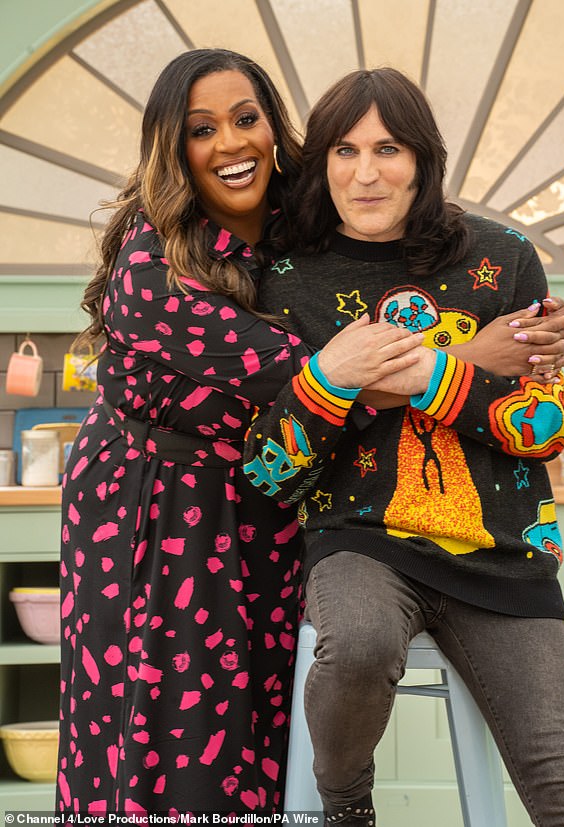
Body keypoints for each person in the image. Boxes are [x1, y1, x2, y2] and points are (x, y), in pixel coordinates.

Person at [56, 49, 429, 816]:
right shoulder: (151, 267)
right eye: (202, 129)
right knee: (166, 728)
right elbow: (314, 372)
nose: (231, 143)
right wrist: (477, 362)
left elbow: (409, 233)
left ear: (271, 127)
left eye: (246, 118)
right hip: (149, 508)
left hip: (263, 499)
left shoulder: (304, 222)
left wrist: (508, 311)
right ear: (174, 147)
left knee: (259, 728)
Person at [243, 68, 564, 827]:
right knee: (356, 646)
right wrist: (460, 364)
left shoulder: (503, 257)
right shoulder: (282, 276)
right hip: (361, 544)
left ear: (423, 158)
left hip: (503, 551)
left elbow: (543, 425)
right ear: (320, 163)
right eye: (344, 151)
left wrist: (417, 373)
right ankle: (347, 805)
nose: (366, 172)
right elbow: (269, 466)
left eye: (389, 148)